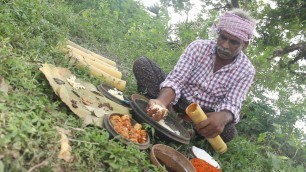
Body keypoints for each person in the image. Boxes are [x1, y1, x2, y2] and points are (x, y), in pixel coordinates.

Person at [133, 9, 257, 143]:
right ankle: (163, 109)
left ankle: (188, 127)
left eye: (233, 42)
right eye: (223, 37)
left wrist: (221, 117)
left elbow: (232, 103)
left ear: (244, 45)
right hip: (177, 99)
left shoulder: (246, 70)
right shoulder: (198, 47)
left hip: (202, 115)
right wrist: (162, 102)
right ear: (218, 33)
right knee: (143, 65)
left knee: (228, 132)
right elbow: (176, 80)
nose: (225, 45)